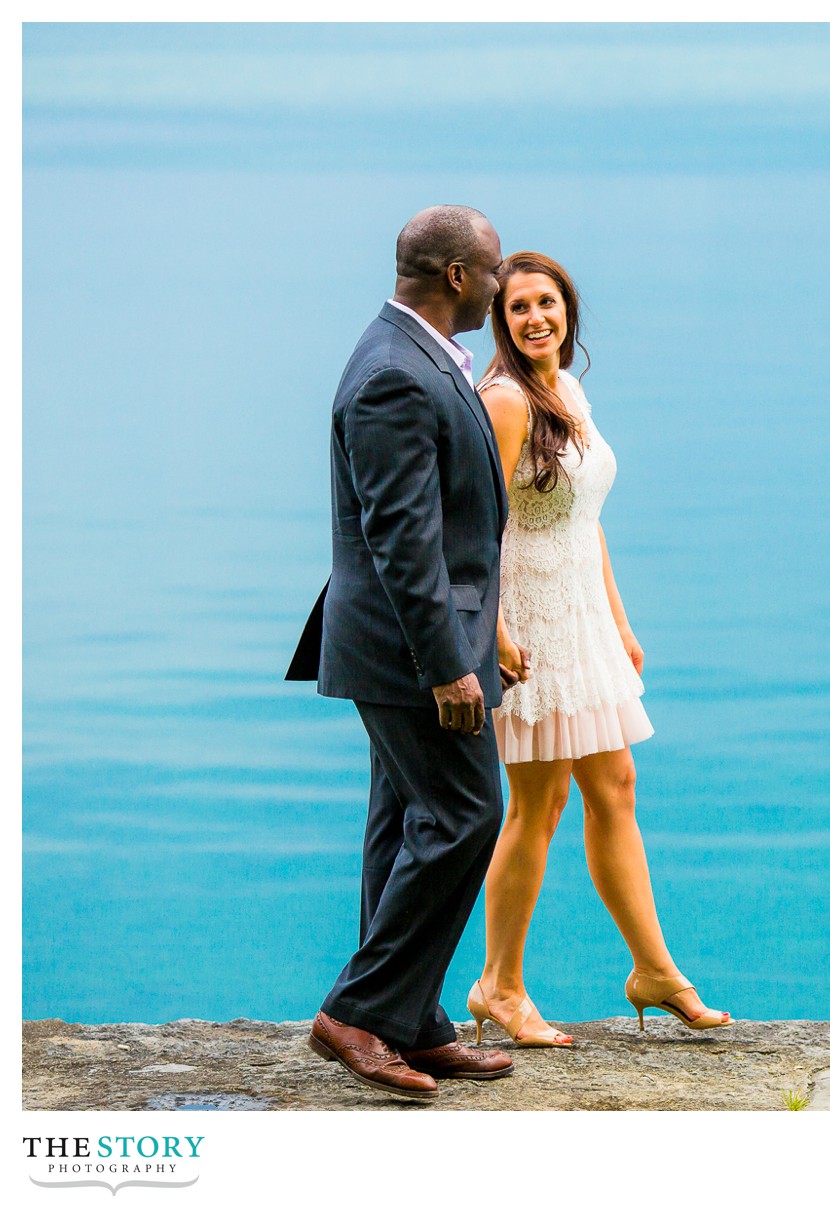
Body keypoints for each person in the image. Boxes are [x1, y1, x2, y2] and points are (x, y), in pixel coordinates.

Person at [467, 250, 731, 1045]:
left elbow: (585, 518)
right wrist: (494, 630)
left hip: (582, 616)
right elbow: (476, 523)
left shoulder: (566, 389)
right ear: (500, 321)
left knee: (615, 783)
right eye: (519, 308)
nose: (536, 317)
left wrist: (618, 620)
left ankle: (654, 970)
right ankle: (499, 986)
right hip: (532, 625)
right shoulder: (505, 400)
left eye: (548, 302)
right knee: (539, 806)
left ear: (568, 311)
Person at [286, 205, 521, 1099]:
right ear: (458, 276)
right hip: (408, 654)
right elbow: (403, 541)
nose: (501, 285)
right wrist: (446, 665)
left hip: (409, 647)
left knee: (408, 823)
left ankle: (411, 1019)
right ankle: (359, 1011)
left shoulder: (418, 354)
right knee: (465, 816)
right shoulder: (393, 373)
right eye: (493, 269)